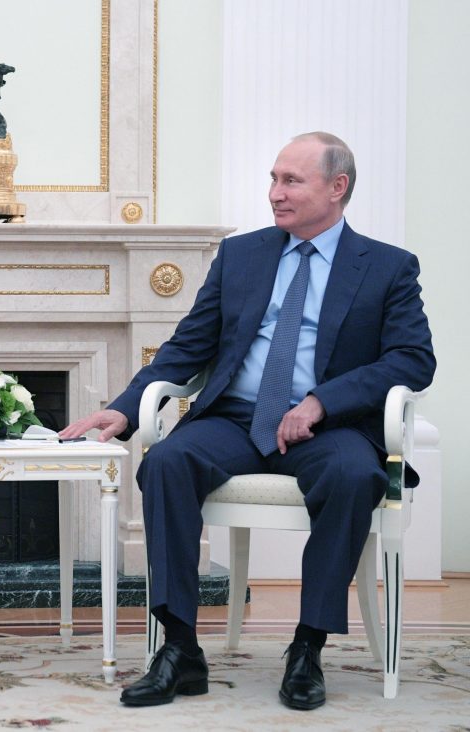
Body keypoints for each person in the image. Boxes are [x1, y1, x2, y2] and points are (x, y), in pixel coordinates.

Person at [60, 132, 435, 711]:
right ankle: (180, 647)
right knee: (167, 462)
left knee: (355, 476)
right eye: (273, 179)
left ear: (337, 187)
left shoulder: (387, 267)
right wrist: (127, 406)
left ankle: (307, 647)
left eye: (291, 181)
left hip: (329, 426)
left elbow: (412, 359)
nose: (275, 193)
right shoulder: (242, 255)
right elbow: (189, 345)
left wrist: (322, 402)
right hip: (236, 418)